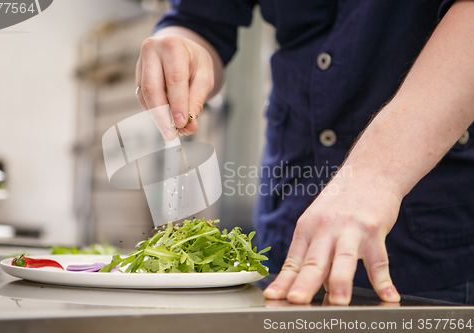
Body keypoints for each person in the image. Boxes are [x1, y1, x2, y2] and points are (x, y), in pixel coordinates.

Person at [135, 0, 474, 305]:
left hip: (431, 240)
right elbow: (201, 19)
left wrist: (377, 174)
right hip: (288, 214)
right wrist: (184, 46)